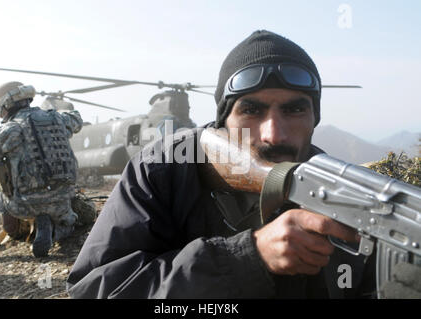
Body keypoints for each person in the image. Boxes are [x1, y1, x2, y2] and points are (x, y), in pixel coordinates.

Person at [66, 30, 418, 298]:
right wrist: (248, 257)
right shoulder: (162, 170)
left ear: (314, 118)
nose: (274, 134)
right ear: (222, 122)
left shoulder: (339, 189)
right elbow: (93, 288)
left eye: (295, 109)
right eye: (251, 109)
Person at [0, 81, 83, 260]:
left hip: (22, 206)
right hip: (63, 202)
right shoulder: (59, 119)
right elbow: (76, 118)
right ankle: (58, 227)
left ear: (5, 105)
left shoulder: (4, 132)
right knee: (61, 207)